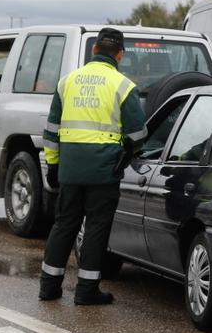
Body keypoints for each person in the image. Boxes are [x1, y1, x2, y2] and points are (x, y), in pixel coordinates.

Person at [38, 27, 148, 305]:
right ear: (120, 55)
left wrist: (53, 165)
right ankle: (86, 290)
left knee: (64, 225)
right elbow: (137, 135)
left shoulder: (67, 82)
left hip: (70, 169)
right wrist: (128, 156)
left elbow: (51, 130)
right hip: (103, 169)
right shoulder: (123, 86)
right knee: (97, 228)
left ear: (94, 50)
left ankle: (49, 287)